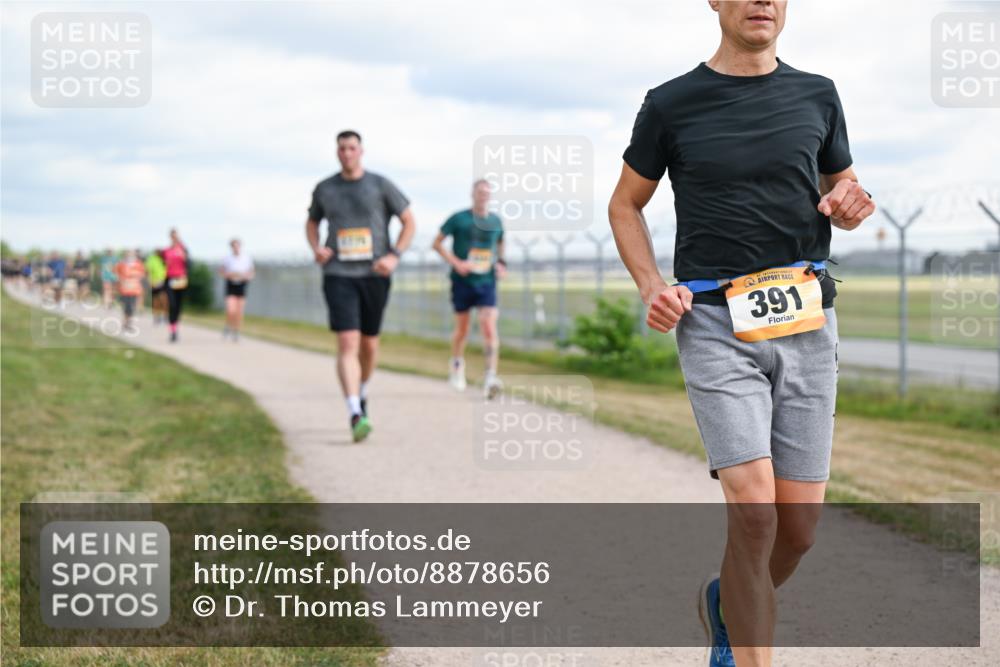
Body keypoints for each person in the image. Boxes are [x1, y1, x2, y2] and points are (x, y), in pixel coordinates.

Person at [607, 2, 875, 666]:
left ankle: (727, 600)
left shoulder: (819, 94)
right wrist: (651, 287)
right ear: (715, 3)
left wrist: (851, 203)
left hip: (808, 320)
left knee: (799, 528)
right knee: (755, 511)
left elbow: (842, 192)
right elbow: (625, 204)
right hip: (716, 324)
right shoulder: (672, 103)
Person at [304, 129, 416, 442]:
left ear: (361, 151)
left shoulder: (380, 185)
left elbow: (410, 221)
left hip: (374, 274)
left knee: (369, 345)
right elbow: (312, 222)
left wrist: (394, 255)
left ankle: (362, 391)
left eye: (351, 148)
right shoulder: (325, 188)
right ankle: (354, 412)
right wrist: (316, 248)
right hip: (339, 274)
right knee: (347, 343)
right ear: (336, 152)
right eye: (341, 149)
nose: (346, 153)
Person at [432, 179, 507, 398]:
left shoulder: (495, 221)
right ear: (472, 194)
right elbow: (437, 243)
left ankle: (491, 376)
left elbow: (501, 243)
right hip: (462, 281)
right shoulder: (459, 219)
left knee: (489, 326)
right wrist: (456, 263)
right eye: (480, 192)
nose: (483, 195)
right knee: (463, 330)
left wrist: (501, 263)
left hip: (487, 281)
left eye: (487, 192)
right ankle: (457, 366)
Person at [219, 238, 255, 341]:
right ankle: (228, 325)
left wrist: (247, 277)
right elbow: (221, 271)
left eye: (237, 246)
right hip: (231, 284)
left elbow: (251, 272)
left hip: (242, 284)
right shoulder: (227, 258)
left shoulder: (246, 258)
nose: (236, 248)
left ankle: (236, 331)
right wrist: (229, 275)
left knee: (239, 311)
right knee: (231, 309)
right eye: (234, 246)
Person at [162, 229, 190, 343]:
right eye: (172, 236)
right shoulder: (166, 251)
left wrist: (185, 258)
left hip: (181, 280)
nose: (175, 238)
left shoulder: (183, 249)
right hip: (170, 279)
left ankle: (175, 327)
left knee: (178, 306)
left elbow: (189, 265)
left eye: (176, 236)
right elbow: (162, 265)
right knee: (172, 304)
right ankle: (172, 330)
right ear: (170, 237)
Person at [115, 249, 146, 332]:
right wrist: (121, 281)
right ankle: (125, 322)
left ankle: (128, 323)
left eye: (131, 255)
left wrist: (135, 278)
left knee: (132, 307)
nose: (130, 256)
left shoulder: (139, 264)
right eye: (128, 254)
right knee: (126, 307)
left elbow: (142, 275)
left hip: (135, 290)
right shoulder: (121, 264)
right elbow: (116, 274)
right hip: (124, 290)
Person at [146, 248, 168, 324]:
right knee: (156, 300)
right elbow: (148, 270)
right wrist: (149, 280)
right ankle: (156, 316)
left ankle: (165, 315)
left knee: (163, 299)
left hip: (163, 281)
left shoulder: (164, 259)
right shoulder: (151, 259)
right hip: (154, 282)